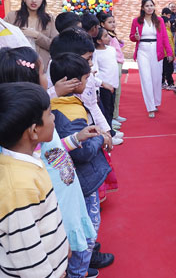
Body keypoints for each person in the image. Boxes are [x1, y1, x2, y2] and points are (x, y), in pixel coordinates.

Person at [0, 48, 99, 278]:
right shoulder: (18, 184)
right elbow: (28, 254)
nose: (54, 116)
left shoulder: (27, 144)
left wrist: (76, 139)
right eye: (43, 71)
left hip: (60, 210)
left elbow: (53, 152)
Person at [50, 53, 115, 269]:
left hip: (78, 178)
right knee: (88, 223)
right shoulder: (68, 110)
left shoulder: (59, 103)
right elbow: (82, 152)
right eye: (86, 78)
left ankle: (84, 260)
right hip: (83, 178)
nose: (89, 80)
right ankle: (80, 268)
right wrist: (100, 138)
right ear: (73, 82)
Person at [0, 82, 70, 278]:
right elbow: (27, 256)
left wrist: (62, 246)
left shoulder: (28, 162)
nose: (53, 117)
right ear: (33, 131)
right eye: (49, 114)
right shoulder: (18, 188)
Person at [129, 0, 173, 118]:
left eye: (151, 5)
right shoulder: (136, 21)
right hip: (142, 50)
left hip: (156, 50)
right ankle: (150, 106)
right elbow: (131, 37)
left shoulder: (159, 20)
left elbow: (164, 37)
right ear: (142, 8)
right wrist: (135, 37)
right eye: (147, 6)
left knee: (156, 78)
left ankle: (156, 102)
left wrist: (169, 52)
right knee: (146, 78)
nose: (149, 8)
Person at [4, 0, 58, 72]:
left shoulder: (49, 19)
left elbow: (55, 46)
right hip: (16, 67)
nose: (34, 0)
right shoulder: (12, 16)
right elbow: (3, 40)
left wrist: (37, 36)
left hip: (41, 68)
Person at [99, 12, 127, 124]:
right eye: (110, 22)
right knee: (113, 91)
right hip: (114, 63)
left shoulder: (112, 35)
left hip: (118, 63)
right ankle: (112, 117)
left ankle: (115, 114)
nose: (113, 24)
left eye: (114, 22)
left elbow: (117, 47)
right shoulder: (106, 37)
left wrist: (120, 41)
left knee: (117, 91)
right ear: (102, 24)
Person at [93, 28, 119, 137]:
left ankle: (111, 129)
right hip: (104, 86)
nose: (109, 37)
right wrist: (102, 83)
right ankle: (109, 134)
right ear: (99, 41)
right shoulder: (95, 53)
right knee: (106, 110)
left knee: (111, 107)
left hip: (114, 83)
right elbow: (97, 70)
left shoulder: (111, 49)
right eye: (105, 36)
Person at [160, 7, 176, 90]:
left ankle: (164, 82)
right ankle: (169, 83)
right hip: (166, 54)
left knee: (165, 69)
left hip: (166, 54)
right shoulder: (166, 32)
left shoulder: (167, 30)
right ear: (166, 23)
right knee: (168, 69)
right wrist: (171, 54)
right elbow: (169, 44)